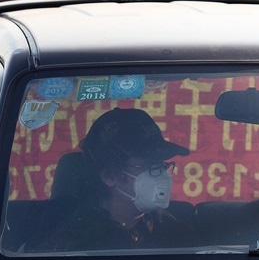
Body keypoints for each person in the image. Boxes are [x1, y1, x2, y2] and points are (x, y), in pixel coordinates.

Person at [41, 107, 194, 250]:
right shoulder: (75, 242)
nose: (161, 174)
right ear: (109, 175)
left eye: (161, 165)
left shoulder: (172, 231)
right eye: (148, 166)